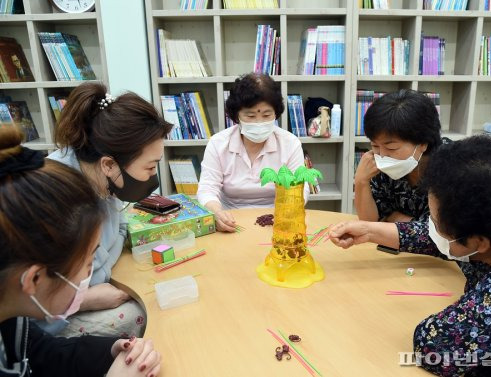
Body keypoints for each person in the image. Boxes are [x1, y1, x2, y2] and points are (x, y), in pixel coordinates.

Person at [329, 136, 491, 376]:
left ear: (479, 242)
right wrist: (370, 231)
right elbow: (439, 238)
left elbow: (435, 348)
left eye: (434, 220)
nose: (429, 225)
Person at [0, 126, 161, 377]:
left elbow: (42, 352)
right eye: (88, 263)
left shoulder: (11, 320)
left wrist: (110, 350)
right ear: (33, 279)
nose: (91, 273)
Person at [44, 82, 172, 338]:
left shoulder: (98, 176)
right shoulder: (55, 199)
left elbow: (119, 228)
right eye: (150, 167)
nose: (153, 176)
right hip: (48, 323)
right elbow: (27, 301)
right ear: (109, 164)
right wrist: (85, 299)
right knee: (151, 313)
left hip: (94, 291)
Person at [197, 73, 309, 232]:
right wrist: (217, 213)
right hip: (231, 220)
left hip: (278, 219)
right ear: (237, 116)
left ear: (276, 114)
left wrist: (287, 211)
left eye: (266, 115)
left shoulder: (290, 143)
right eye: (250, 115)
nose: (259, 123)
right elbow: (207, 189)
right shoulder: (218, 143)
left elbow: (299, 187)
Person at [354, 89, 442, 223]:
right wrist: (361, 181)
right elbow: (370, 222)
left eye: (391, 147)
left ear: (423, 143)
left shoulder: (451, 166)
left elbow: (442, 234)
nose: (382, 156)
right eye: (375, 146)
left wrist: (395, 218)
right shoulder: (377, 167)